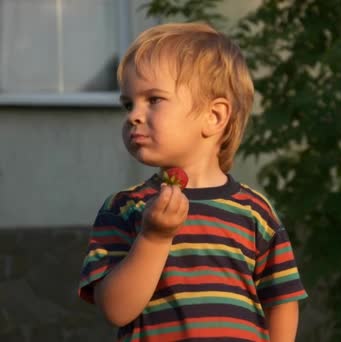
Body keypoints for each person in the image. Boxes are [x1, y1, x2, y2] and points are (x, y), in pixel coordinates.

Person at [78, 22, 307, 342]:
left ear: (214, 117)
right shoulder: (125, 208)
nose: (133, 116)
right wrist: (154, 238)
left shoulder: (255, 211)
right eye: (129, 104)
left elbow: (281, 300)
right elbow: (116, 309)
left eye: (153, 99)